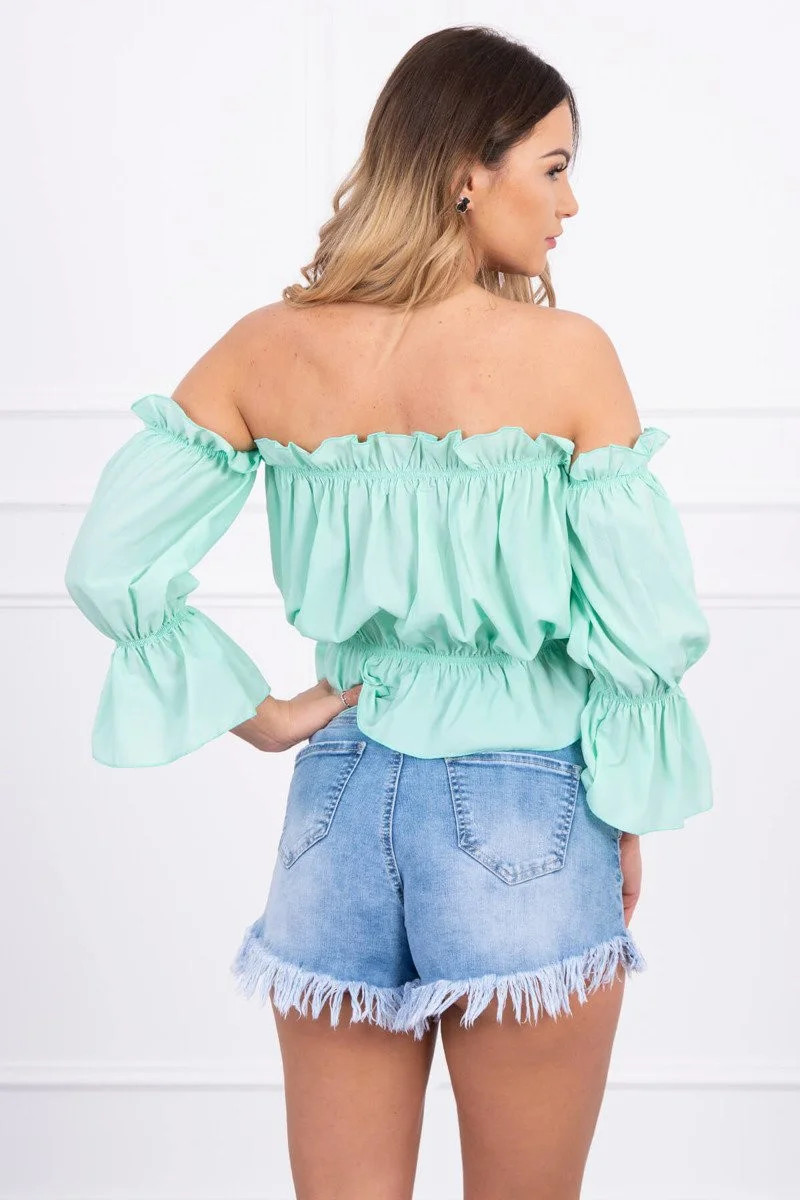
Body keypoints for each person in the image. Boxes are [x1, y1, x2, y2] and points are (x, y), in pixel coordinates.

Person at [64, 24, 713, 1200]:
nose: (569, 204)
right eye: (552, 168)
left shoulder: (267, 348)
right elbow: (644, 627)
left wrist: (263, 713)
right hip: (526, 809)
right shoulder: (569, 358)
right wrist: (624, 813)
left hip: (336, 800)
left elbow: (113, 562)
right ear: (467, 172)